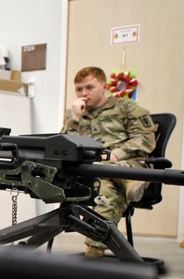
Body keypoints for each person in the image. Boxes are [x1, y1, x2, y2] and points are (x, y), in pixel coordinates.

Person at [61, 66, 157, 258]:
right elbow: (63, 148)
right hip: (92, 171)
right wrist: (75, 119)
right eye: (79, 89)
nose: (84, 93)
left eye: (89, 87)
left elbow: (145, 139)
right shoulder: (77, 114)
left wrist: (116, 155)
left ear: (104, 86)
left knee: (104, 188)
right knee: (103, 187)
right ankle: (129, 185)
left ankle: (94, 251)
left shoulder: (126, 107)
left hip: (128, 164)